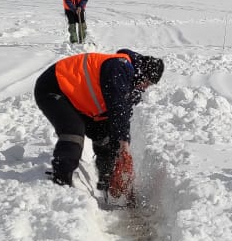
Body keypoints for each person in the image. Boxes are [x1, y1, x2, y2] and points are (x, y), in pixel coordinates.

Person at [34, 48, 165, 196]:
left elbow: (122, 116)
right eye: (147, 82)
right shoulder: (119, 67)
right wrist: (124, 143)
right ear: (143, 74)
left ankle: (106, 182)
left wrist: (122, 144)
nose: (146, 87)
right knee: (73, 131)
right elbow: (117, 107)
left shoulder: (133, 85)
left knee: (104, 136)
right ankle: (61, 182)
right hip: (54, 88)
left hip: (76, 99)